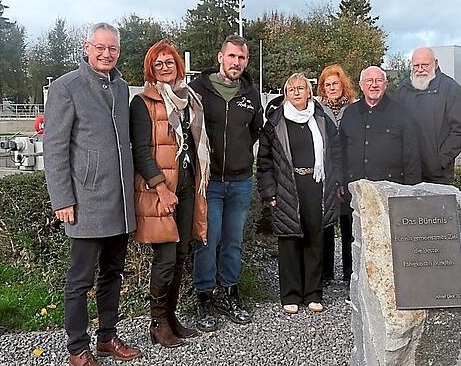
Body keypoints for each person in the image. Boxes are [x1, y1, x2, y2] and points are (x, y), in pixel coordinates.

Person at [44, 22, 141, 366]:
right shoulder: (66, 87)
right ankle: (77, 348)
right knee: (80, 279)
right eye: (100, 47)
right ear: (87, 48)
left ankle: (107, 337)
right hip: (85, 202)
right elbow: (55, 148)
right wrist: (63, 199)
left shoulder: (122, 87)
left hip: (119, 203)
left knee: (113, 273)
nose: (106, 54)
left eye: (112, 48)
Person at [130, 40, 211, 347]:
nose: (165, 68)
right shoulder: (143, 103)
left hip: (189, 186)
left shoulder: (190, 99)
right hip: (160, 191)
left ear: (179, 66)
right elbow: (141, 150)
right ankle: (157, 322)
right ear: (151, 70)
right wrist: (161, 188)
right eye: (158, 64)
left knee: (180, 255)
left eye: (169, 63)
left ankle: (171, 317)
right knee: (165, 258)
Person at [189, 35, 262, 328]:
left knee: (233, 242)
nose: (236, 63)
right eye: (231, 56)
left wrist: (240, 156)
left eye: (241, 58)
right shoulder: (199, 90)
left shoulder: (251, 94)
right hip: (209, 184)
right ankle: (204, 298)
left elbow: (255, 131)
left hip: (241, 181)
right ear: (221, 57)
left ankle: (231, 293)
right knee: (208, 240)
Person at [257, 73, 342, 314]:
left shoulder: (322, 120)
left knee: (315, 239)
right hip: (287, 185)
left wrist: (336, 182)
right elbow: (264, 162)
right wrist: (269, 191)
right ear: (286, 93)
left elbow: (335, 154)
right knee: (289, 240)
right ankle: (290, 295)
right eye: (291, 89)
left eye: (300, 88)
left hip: (316, 184)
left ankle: (313, 293)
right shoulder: (275, 122)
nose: (296, 92)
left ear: (309, 92)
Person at [339, 66, 422, 283]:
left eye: (378, 81)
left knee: (387, 239)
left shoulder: (401, 113)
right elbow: (340, 150)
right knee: (354, 238)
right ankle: (353, 282)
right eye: (369, 81)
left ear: (385, 85)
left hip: (389, 190)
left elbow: (411, 153)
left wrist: (411, 189)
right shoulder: (349, 113)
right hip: (355, 190)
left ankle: (388, 284)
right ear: (361, 85)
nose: (373, 84)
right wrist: (339, 181)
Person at [393, 46, 461, 184]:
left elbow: (460, 131)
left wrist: (439, 160)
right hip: (406, 173)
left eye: (425, 65)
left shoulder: (451, 89)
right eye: (416, 65)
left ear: (435, 63)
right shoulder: (403, 90)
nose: (420, 69)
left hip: (438, 176)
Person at [316, 64, 358, 286]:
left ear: (343, 85)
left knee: (349, 223)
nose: (332, 88)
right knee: (326, 224)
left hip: (349, 171)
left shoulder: (354, 108)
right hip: (326, 172)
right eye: (328, 85)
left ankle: (351, 271)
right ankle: (326, 273)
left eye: (335, 84)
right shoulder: (316, 109)